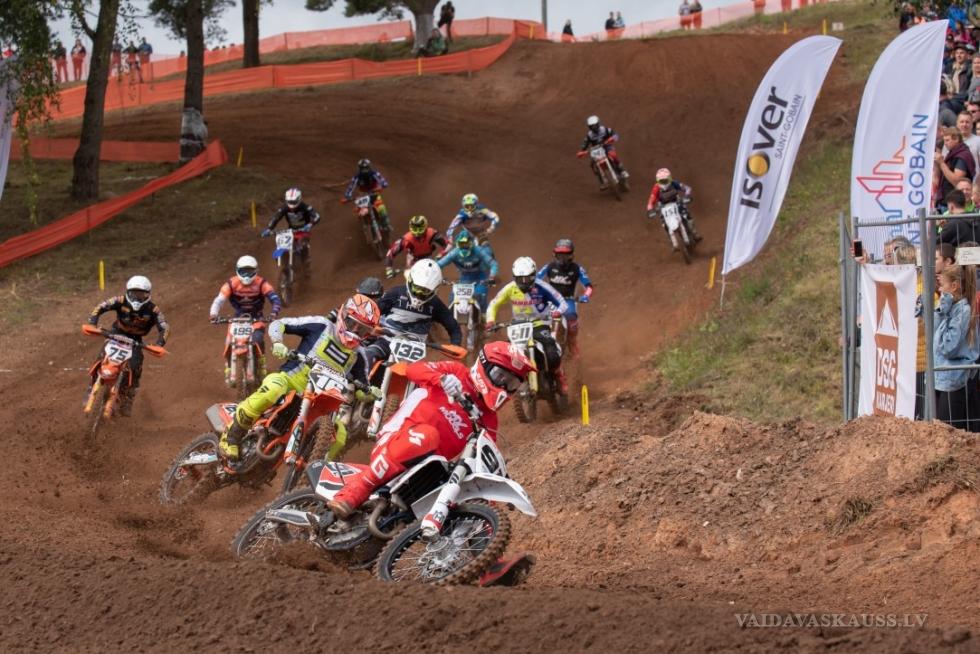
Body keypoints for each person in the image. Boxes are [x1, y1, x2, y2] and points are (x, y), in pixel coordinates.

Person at [326, 340, 535, 519]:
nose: (505, 386)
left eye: (512, 383)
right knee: (427, 436)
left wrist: (490, 506)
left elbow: (482, 462)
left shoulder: (489, 420)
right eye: (501, 376)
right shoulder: (456, 372)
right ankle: (352, 493)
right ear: (484, 365)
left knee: (455, 487)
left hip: (429, 467)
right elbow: (412, 370)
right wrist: (441, 379)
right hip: (399, 438)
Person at [218, 295, 380, 461]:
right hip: (289, 382)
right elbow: (279, 324)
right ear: (343, 315)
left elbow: (361, 388)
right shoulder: (321, 325)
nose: (355, 331)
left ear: (368, 333)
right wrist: (278, 342)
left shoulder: (359, 356)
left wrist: (370, 393)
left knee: (340, 436)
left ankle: (310, 471)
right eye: (352, 323)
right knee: (272, 390)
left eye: (362, 329)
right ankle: (231, 436)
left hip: (320, 402)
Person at [87, 276, 170, 416]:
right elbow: (101, 306)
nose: (137, 297)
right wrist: (92, 323)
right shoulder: (120, 300)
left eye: (141, 294)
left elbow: (164, 327)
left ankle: (128, 399)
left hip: (135, 340)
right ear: (128, 292)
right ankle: (92, 385)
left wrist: (159, 344)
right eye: (134, 293)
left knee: (136, 366)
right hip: (116, 333)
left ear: (148, 294)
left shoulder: (153, 310)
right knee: (101, 356)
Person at [486, 257, 569, 393]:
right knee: (507, 355)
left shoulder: (542, 287)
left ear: (533, 275)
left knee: (551, 351)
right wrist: (490, 320)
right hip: (518, 327)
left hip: (539, 324)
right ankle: (506, 386)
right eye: (520, 279)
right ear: (515, 277)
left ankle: (559, 374)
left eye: (527, 278)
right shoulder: (510, 288)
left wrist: (558, 312)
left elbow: (562, 302)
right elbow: (494, 304)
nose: (524, 282)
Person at [363, 259, 462, 371]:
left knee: (421, 377)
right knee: (367, 355)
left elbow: (453, 326)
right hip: (387, 341)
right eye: (417, 288)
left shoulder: (435, 304)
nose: (419, 294)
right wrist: (373, 323)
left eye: (425, 291)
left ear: (434, 290)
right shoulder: (396, 293)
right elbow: (375, 311)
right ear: (410, 281)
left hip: (413, 351)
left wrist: (455, 345)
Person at [209, 255, 283, 380]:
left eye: (250, 271)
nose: (247, 275)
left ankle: (262, 363)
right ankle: (228, 366)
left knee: (258, 339)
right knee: (229, 341)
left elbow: (275, 299)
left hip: (257, 318)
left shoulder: (261, 283)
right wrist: (213, 314)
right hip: (238, 318)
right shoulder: (231, 283)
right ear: (237, 270)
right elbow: (219, 300)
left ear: (256, 270)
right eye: (243, 271)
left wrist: (273, 313)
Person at [934, 264, 979, 430]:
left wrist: (944, 313)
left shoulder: (963, 311)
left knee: (948, 432)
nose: (940, 289)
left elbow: (948, 347)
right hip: (943, 377)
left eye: (942, 285)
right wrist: (942, 311)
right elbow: (934, 333)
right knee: (940, 431)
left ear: (954, 286)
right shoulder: (952, 309)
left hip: (954, 380)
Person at [537, 238, 594, 358]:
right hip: (551, 300)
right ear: (555, 254)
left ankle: (572, 343)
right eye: (560, 255)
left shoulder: (577, 269)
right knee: (539, 317)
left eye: (565, 255)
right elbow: (536, 280)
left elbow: (588, 286)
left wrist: (585, 296)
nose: (562, 258)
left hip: (568, 300)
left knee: (572, 318)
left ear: (571, 255)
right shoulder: (549, 267)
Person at [261, 188, 321, 277]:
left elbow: (317, 216)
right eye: (290, 202)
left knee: (303, 245)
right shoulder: (284, 208)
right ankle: (285, 264)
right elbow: (276, 218)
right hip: (291, 231)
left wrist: (310, 224)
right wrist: (269, 229)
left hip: (304, 231)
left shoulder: (304, 207)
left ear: (299, 199)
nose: (292, 205)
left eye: (294, 202)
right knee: (282, 245)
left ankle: (306, 265)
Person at [437, 229, 499, 315]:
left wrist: (491, 277)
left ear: (471, 243)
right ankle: (451, 317)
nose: (464, 247)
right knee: (453, 297)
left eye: (466, 244)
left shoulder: (478, 251)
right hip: (465, 278)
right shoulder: (454, 253)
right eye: (462, 244)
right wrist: (435, 276)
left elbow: (493, 264)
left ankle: (484, 316)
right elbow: (439, 264)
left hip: (481, 276)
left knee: (480, 296)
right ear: (458, 244)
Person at [646, 167, 703, 243]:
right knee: (664, 222)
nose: (664, 183)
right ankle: (670, 237)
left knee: (686, 214)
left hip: (676, 201)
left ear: (670, 178)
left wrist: (687, 195)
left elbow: (687, 188)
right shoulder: (656, 188)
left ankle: (694, 232)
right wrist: (650, 209)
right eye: (662, 181)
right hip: (663, 206)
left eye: (666, 180)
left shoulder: (674, 183)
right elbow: (651, 200)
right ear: (658, 181)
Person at [342, 159, 390, 235]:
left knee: (382, 209)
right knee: (359, 211)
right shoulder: (357, 177)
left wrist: (381, 186)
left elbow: (384, 183)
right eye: (363, 169)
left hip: (374, 193)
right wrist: (347, 197)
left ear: (369, 167)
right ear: (360, 169)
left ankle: (386, 225)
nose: (364, 171)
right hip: (363, 195)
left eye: (366, 168)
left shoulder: (374, 173)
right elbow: (351, 187)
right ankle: (365, 225)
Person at [580, 115, 630, 186]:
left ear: (598, 124)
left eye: (595, 125)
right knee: (594, 164)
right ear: (589, 127)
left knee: (613, 155)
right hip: (596, 150)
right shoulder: (589, 135)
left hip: (606, 146)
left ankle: (622, 170)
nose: (594, 128)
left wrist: (612, 138)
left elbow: (615, 135)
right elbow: (585, 144)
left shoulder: (605, 129)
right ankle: (603, 181)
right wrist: (582, 151)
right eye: (592, 126)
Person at [936, 127, 976, 209]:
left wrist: (942, 163)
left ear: (956, 139)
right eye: (944, 141)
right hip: (948, 201)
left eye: (947, 140)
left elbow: (957, 182)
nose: (945, 144)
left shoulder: (962, 156)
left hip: (956, 204)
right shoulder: (953, 154)